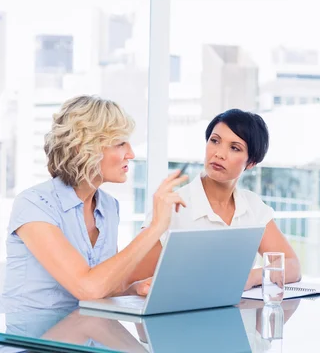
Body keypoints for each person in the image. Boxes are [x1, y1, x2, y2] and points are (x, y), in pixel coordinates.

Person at [2, 95, 187, 310]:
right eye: (120, 144)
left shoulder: (109, 207)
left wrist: (132, 288)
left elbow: (106, 285)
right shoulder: (34, 204)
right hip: (35, 341)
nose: (131, 153)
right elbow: (87, 289)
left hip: (86, 336)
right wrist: (156, 227)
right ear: (83, 148)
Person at [132, 109, 301, 290]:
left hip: (237, 313)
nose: (219, 154)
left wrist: (250, 277)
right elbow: (136, 285)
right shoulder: (171, 205)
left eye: (234, 148)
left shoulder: (252, 205)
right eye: (215, 141)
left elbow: (291, 265)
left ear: (251, 163)